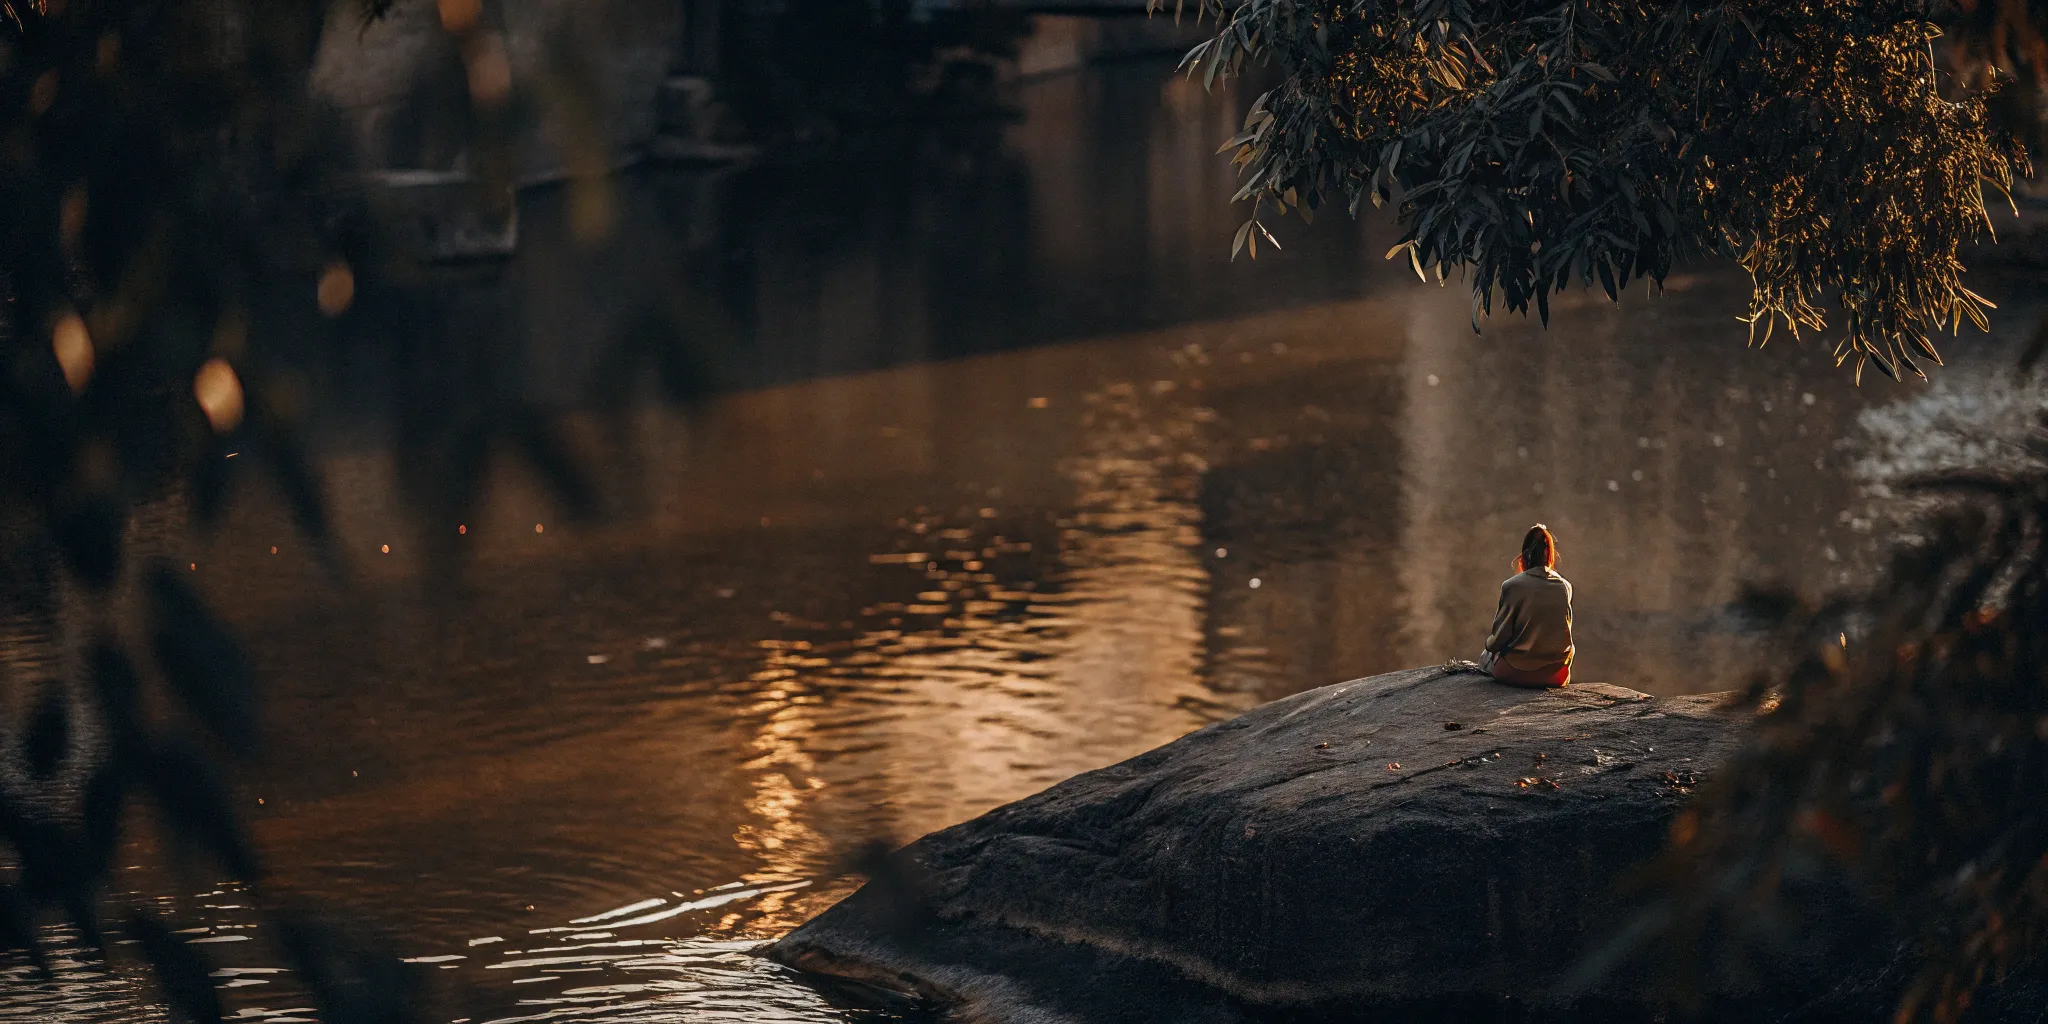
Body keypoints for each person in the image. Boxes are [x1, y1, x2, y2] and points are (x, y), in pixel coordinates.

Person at [1480, 524, 1574, 688]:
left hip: (1515, 673)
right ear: (1551, 554)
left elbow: (1499, 639)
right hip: (1556, 675)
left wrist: (1489, 645)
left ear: (1523, 555)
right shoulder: (1565, 586)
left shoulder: (1512, 586)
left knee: (1486, 655)